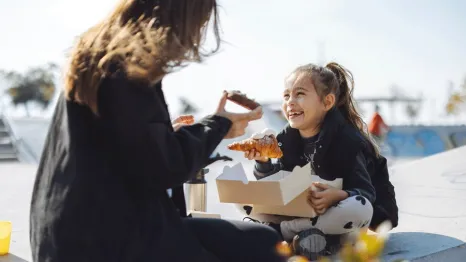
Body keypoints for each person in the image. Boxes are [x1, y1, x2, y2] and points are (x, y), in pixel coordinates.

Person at [29, 1, 285, 261]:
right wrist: (218, 124)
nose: (197, 36)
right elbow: (167, 167)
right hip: (106, 238)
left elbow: (126, 146)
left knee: (261, 240)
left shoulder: (99, 56)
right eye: (200, 23)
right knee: (264, 249)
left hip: (69, 230)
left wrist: (177, 133)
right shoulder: (127, 68)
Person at [242, 62, 398, 259]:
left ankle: (277, 233)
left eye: (299, 94)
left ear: (327, 102)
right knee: (247, 201)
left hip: (349, 218)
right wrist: (263, 162)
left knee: (359, 206)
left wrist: (338, 195)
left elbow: (366, 193)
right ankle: (305, 238)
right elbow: (278, 186)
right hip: (305, 213)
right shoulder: (285, 140)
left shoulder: (347, 141)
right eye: (286, 95)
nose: (290, 102)